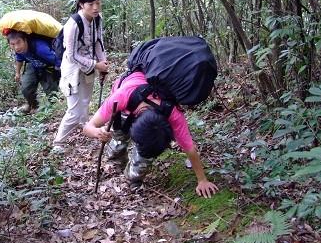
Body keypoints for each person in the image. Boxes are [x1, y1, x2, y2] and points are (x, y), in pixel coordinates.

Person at [83, 71, 219, 198]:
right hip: (124, 109)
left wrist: (202, 180)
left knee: (143, 160)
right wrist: (97, 132)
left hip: (141, 108)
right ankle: (118, 162)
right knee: (117, 144)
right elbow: (87, 127)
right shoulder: (121, 96)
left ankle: (133, 176)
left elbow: (189, 148)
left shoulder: (172, 112)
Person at [53, 0, 109, 152]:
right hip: (72, 70)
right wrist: (95, 64)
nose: (95, 7)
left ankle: (86, 129)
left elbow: (98, 42)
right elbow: (71, 55)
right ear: (81, 5)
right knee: (74, 109)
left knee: (85, 102)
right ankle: (58, 143)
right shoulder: (73, 25)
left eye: (98, 3)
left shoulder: (98, 18)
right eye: (91, 4)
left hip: (89, 66)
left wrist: (103, 64)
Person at [7, 30, 60, 113]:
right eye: (12, 44)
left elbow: (57, 60)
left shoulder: (40, 48)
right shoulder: (19, 50)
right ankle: (33, 106)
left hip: (49, 66)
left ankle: (52, 110)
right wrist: (17, 73)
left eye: (18, 42)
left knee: (51, 92)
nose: (16, 47)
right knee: (26, 87)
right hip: (33, 65)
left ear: (25, 40)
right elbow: (19, 59)